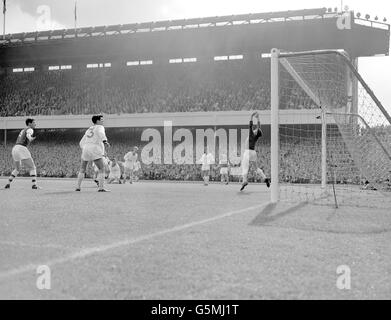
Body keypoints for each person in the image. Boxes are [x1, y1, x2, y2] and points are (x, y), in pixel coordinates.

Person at [76, 114, 110, 192]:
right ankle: (101, 188)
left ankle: (78, 187)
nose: (103, 121)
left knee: (82, 169)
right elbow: (101, 133)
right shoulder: (100, 127)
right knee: (102, 168)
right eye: (101, 119)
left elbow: (81, 142)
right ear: (97, 121)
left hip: (86, 148)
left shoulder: (89, 129)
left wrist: (85, 148)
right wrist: (105, 141)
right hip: (95, 148)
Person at [4, 118, 40, 190]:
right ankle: (34, 185)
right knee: (32, 167)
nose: (35, 124)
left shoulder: (23, 130)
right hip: (22, 148)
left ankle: (8, 183)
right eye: (34, 123)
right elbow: (28, 134)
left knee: (17, 168)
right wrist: (30, 138)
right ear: (29, 124)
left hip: (15, 148)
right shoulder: (30, 129)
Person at [240, 112, 270, 191]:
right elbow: (259, 127)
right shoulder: (256, 136)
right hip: (253, 152)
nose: (256, 129)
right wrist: (258, 118)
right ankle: (265, 178)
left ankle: (244, 181)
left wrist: (251, 116)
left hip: (247, 152)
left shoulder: (251, 134)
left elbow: (250, 125)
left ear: (256, 132)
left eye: (256, 129)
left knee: (244, 166)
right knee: (256, 168)